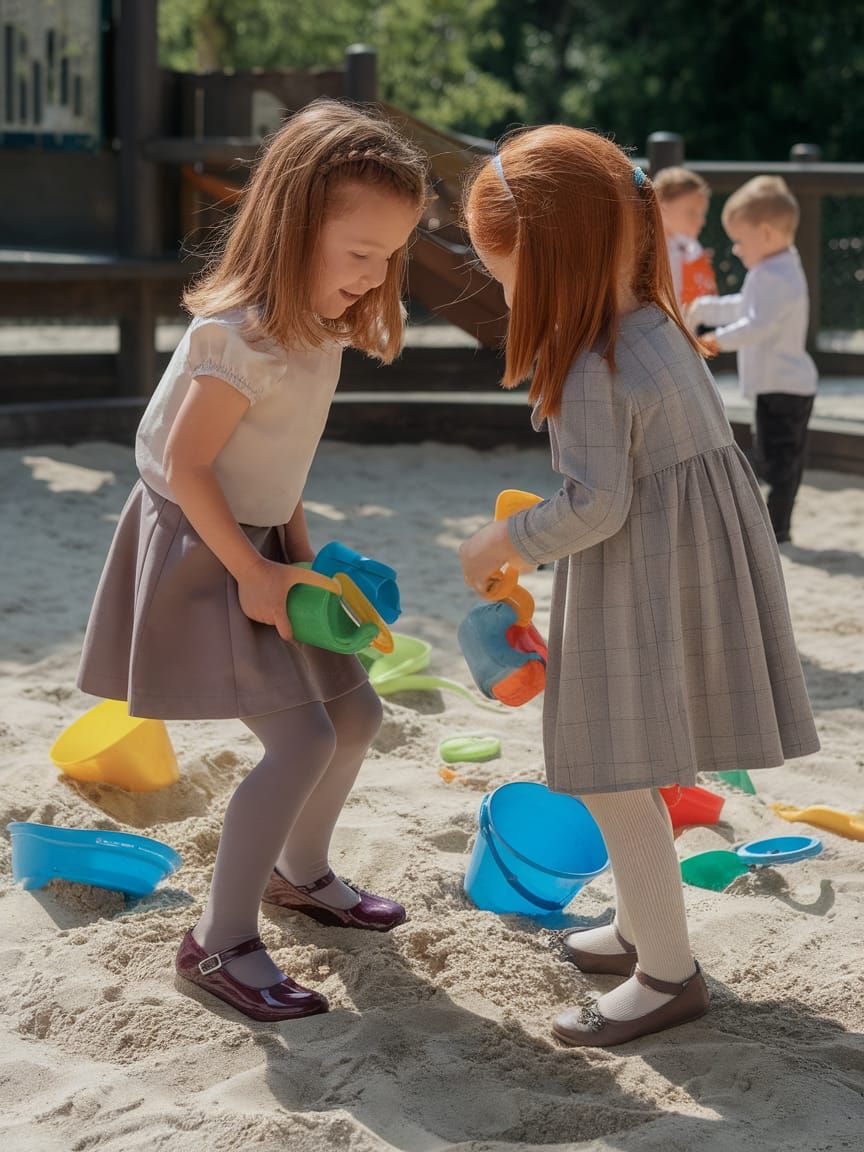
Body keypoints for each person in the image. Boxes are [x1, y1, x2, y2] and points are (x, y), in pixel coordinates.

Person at [458, 130, 819, 1047]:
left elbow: (598, 506)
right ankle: (638, 927)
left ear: (556, 261)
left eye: (505, 275)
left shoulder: (592, 366)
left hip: (639, 580)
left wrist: (506, 539)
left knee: (614, 774)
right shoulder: (654, 325)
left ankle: (667, 975)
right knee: (632, 764)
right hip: (682, 571)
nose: (503, 295)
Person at [77, 99, 429, 1022]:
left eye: (391, 256)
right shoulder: (236, 337)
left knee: (354, 712)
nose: (376, 274)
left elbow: (279, 464)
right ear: (297, 226)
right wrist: (255, 573)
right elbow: (191, 469)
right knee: (302, 737)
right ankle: (218, 941)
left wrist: (303, 558)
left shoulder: (321, 331)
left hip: (265, 541)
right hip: (203, 547)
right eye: (360, 253)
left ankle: (297, 874)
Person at [687, 176, 817, 544]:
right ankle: (779, 527)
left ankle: (775, 527)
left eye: (740, 241)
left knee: (774, 461)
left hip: (783, 387)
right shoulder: (774, 270)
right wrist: (705, 309)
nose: (737, 250)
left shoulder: (775, 276)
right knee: (783, 461)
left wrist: (713, 340)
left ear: (767, 234)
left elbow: (756, 325)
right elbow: (744, 306)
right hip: (781, 384)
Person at [653, 166, 717, 307]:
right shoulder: (648, 256)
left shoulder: (691, 250)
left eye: (702, 214)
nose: (701, 221)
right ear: (661, 206)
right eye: (692, 213)